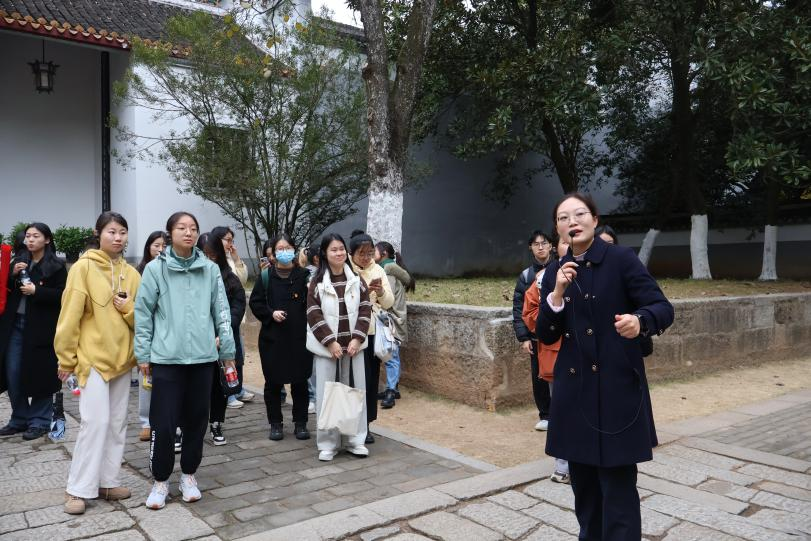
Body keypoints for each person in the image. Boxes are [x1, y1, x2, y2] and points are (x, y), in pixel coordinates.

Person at [538, 193, 674, 540]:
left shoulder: (621, 259)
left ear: (595, 220)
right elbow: (546, 333)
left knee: (618, 488)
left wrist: (640, 320)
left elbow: (662, 307)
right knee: (584, 489)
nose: (573, 221)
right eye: (564, 218)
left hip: (616, 390)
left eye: (580, 214)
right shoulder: (555, 271)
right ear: (558, 229)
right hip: (575, 394)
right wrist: (556, 294)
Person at [135, 211, 236, 510]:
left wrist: (227, 353)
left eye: (193, 228)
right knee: (163, 423)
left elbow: (222, 312)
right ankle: (160, 480)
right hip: (167, 358)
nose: (188, 233)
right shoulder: (155, 269)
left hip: (203, 359)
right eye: (181, 228)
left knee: (196, 421)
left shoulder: (210, 269)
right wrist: (143, 354)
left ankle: (189, 475)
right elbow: (143, 314)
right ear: (170, 233)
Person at [55, 212, 141, 515]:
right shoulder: (83, 268)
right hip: (91, 360)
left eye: (122, 232)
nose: (118, 238)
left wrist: (129, 308)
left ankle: (107, 481)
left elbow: (143, 318)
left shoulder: (132, 274)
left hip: (123, 360)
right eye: (112, 232)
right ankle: (77, 488)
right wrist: (66, 358)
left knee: (117, 423)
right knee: (95, 422)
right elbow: (69, 316)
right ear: (98, 233)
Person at [306, 233, 372, 461]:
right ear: (325, 254)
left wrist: (357, 338)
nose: (339, 253)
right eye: (333, 250)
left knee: (355, 392)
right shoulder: (317, 282)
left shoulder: (356, 279)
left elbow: (365, 309)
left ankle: (356, 440)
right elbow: (313, 314)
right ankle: (328, 443)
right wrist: (330, 341)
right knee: (328, 395)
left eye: (341, 249)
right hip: (328, 350)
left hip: (354, 348)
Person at [0, 223, 66, 441]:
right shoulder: (19, 261)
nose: (30, 240)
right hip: (15, 325)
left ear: (47, 240)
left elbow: (63, 296)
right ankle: (19, 418)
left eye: (36, 236)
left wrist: (37, 290)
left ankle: (40, 421)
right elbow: (5, 289)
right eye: (28, 236)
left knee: (41, 374)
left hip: (41, 327)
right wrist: (12, 275)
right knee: (12, 372)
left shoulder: (56, 266)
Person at [249, 234, 312, 441]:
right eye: (280, 248)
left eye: (288, 248)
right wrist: (270, 313)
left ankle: (300, 423)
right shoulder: (266, 276)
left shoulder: (304, 276)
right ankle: (275, 423)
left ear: (294, 249)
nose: (284, 252)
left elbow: (314, 303)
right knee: (273, 383)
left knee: (300, 382)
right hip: (272, 339)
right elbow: (256, 302)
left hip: (299, 339)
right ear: (274, 253)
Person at [521, 233, 569, 484]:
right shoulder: (543, 277)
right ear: (556, 246)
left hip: (590, 356)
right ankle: (562, 466)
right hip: (556, 353)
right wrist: (550, 318)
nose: (569, 245)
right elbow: (528, 311)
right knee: (560, 409)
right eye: (564, 240)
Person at [198, 233, 246, 446]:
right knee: (197, 386)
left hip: (224, 340)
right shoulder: (193, 277)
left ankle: (216, 422)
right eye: (205, 254)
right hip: (199, 342)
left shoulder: (229, 278)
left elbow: (237, 306)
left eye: (213, 255)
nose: (209, 259)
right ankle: (190, 426)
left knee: (220, 387)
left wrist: (223, 333)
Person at [348, 230, 394, 443]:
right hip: (349, 333)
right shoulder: (345, 269)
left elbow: (389, 302)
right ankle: (348, 424)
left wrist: (381, 292)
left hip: (371, 332)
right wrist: (365, 290)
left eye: (369, 253)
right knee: (350, 380)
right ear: (352, 253)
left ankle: (365, 425)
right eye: (361, 253)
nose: (366, 257)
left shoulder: (378, 270)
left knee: (369, 379)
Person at [512, 230, 555, 431]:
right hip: (536, 337)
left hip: (558, 335)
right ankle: (545, 415)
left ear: (551, 246)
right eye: (536, 244)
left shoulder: (560, 268)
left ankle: (563, 413)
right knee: (539, 377)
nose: (541, 247)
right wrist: (524, 337)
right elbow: (518, 308)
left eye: (544, 243)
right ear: (531, 247)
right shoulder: (526, 276)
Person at [211, 226, 254, 407]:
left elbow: (242, 281)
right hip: (218, 320)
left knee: (238, 354)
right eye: (227, 240)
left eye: (231, 240)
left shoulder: (228, 260)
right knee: (224, 355)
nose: (230, 244)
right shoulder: (212, 261)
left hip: (234, 318)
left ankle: (236, 387)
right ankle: (228, 392)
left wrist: (236, 259)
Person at [134, 231, 167, 442]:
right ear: (148, 247)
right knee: (146, 379)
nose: (160, 249)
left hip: (166, 333)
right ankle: (146, 422)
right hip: (148, 332)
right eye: (156, 245)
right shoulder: (139, 271)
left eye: (164, 245)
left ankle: (166, 419)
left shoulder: (170, 270)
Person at [373, 241, 415, 409]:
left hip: (391, 320)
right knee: (391, 354)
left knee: (391, 356)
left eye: (374, 251)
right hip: (391, 319)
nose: (371, 254)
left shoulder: (387, 271)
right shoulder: (388, 269)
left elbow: (386, 299)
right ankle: (393, 388)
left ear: (383, 253)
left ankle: (391, 391)